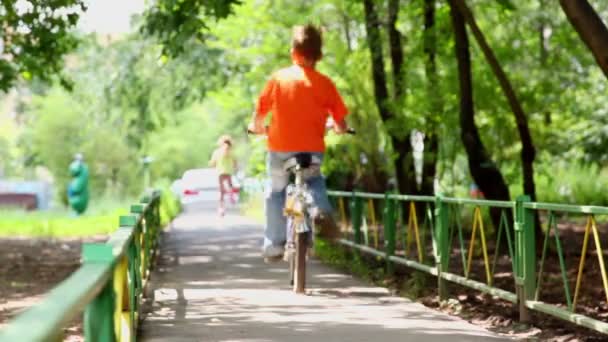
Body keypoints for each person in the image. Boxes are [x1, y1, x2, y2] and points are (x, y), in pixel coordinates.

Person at [248, 24, 349, 262]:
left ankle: (274, 245)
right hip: (312, 150)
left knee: (276, 192)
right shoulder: (325, 83)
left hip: (280, 149)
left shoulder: (278, 79)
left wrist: (256, 127)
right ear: (319, 55)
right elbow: (341, 122)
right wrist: (339, 128)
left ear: (293, 51)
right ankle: (321, 211)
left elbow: (260, 113)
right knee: (314, 180)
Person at [209, 135, 237, 216]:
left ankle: (221, 208)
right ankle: (231, 196)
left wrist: (213, 165)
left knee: (221, 192)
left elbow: (212, 163)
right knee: (230, 185)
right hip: (228, 171)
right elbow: (235, 162)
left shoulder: (217, 152)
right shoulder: (231, 152)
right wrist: (234, 167)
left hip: (220, 172)